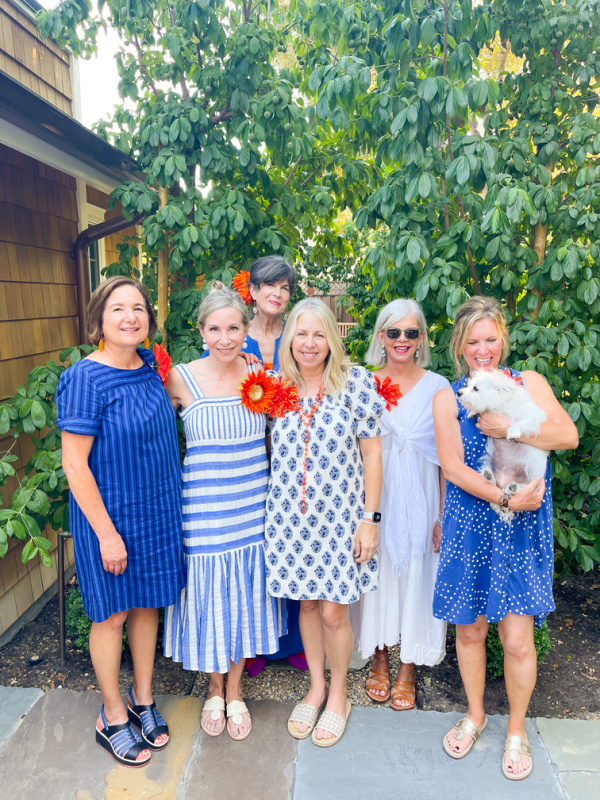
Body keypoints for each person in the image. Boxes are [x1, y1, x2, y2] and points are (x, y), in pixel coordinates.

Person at [432, 296, 578, 780]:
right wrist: (506, 498)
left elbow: (567, 436)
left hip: (520, 532)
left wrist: (510, 429)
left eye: (490, 339)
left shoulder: (527, 383)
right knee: (470, 631)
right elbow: (453, 468)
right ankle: (475, 715)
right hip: (472, 524)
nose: (482, 350)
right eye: (473, 341)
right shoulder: (449, 398)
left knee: (516, 640)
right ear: (459, 344)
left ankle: (516, 729)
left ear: (503, 340)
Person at [56, 276, 185, 768]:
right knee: (111, 615)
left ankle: (142, 698)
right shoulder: (85, 378)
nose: (130, 316)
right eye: (117, 308)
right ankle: (111, 715)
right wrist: (107, 535)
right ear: (99, 319)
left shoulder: (149, 367)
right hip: (107, 519)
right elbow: (74, 465)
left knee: (148, 605)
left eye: (138, 308)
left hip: (155, 513)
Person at [163, 282, 285, 741]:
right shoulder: (179, 378)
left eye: (234, 328)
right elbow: (154, 437)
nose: (225, 338)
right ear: (201, 331)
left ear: (246, 329)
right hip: (203, 510)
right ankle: (213, 689)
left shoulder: (259, 375)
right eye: (215, 329)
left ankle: (234, 691)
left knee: (243, 596)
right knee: (212, 594)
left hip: (252, 506)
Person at [265, 298, 384, 747]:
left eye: (319, 334)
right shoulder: (276, 388)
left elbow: (373, 454)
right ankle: (315, 687)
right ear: (290, 339)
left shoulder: (355, 383)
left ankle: (338, 696)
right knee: (308, 607)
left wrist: (370, 519)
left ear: (331, 338)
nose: (310, 343)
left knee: (334, 612)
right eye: (301, 333)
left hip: (341, 519)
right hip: (289, 520)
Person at [350, 299, 450, 710]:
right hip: (378, 497)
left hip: (424, 497)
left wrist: (442, 516)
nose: (402, 339)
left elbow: (447, 459)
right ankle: (379, 654)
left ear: (422, 337)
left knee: (417, 577)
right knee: (379, 575)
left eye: (411, 332)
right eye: (394, 332)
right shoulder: (364, 383)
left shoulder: (438, 387)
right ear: (381, 336)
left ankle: (408, 665)